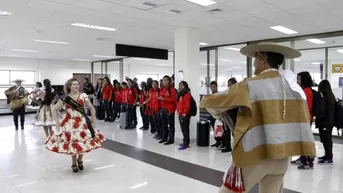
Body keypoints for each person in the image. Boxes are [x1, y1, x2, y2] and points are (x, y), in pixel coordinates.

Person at [200, 42, 316, 193]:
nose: (254, 64)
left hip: (255, 154)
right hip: (282, 156)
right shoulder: (294, 88)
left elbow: (210, 102)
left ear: (263, 58)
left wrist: (222, 114)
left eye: (255, 59)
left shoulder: (249, 85)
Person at [47, 78, 105, 173]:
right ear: (69, 86)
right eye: (74, 84)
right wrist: (57, 123)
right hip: (69, 124)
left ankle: (80, 159)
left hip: (83, 123)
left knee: (83, 142)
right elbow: (54, 109)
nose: (76, 86)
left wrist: (94, 121)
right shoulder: (65, 98)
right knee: (73, 143)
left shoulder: (83, 96)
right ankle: (74, 162)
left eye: (78, 84)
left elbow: (92, 108)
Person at [291, 71, 315, 169]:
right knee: (302, 140)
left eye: (299, 79)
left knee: (306, 140)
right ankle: (302, 158)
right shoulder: (304, 90)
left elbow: (307, 108)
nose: (298, 81)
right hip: (304, 119)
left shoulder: (307, 92)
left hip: (306, 119)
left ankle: (308, 162)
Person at [316, 80, 335, 164]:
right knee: (328, 139)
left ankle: (329, 157)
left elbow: (322, 110)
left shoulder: (325, 98)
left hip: (325, 122)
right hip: (329, 122)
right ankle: (328, 155)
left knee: (326, 139)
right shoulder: (331, 96)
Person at [158, 75, 177, 145]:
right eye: (164, 80)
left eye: (166, 80)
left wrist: (164, 99)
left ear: (169, 81)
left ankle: (171, 139)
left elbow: (174, 100)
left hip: (170, 110)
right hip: (163, 109)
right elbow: (161, 98)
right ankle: (164, 137)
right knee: (164, 124)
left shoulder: (171, 89)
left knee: (171, 125)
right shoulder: (162, 89)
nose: (165, 82)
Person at [220, 78, 237, 153]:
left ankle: (237, 150)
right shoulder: (227, 93)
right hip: (227, 115)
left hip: (235, 116)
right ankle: (228, 146)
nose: (229, 86)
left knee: (235, 133)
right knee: (226, 131)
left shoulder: (237, 94)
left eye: (231, 84)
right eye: (228, 84)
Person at [177, 81, 192, 150]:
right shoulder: (180, 94)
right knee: (183, 129)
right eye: (180, 85)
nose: (181, 86)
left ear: (185, 86)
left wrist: (184, 113)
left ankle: (186, 144)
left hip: (185, 115)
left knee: (185, 129)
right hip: (180, 114)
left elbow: (187, 105)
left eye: (182, 85)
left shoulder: (186, 94)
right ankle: (184, 141)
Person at [209, 81, 221, 147]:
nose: (213, 88)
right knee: (214, 128)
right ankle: (217, 141)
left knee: (219, 128)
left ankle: (221, 141)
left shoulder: (218, 95)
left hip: (218, 115)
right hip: (212, 114)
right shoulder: (210, 95)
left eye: (214, 87)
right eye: (212, 87)